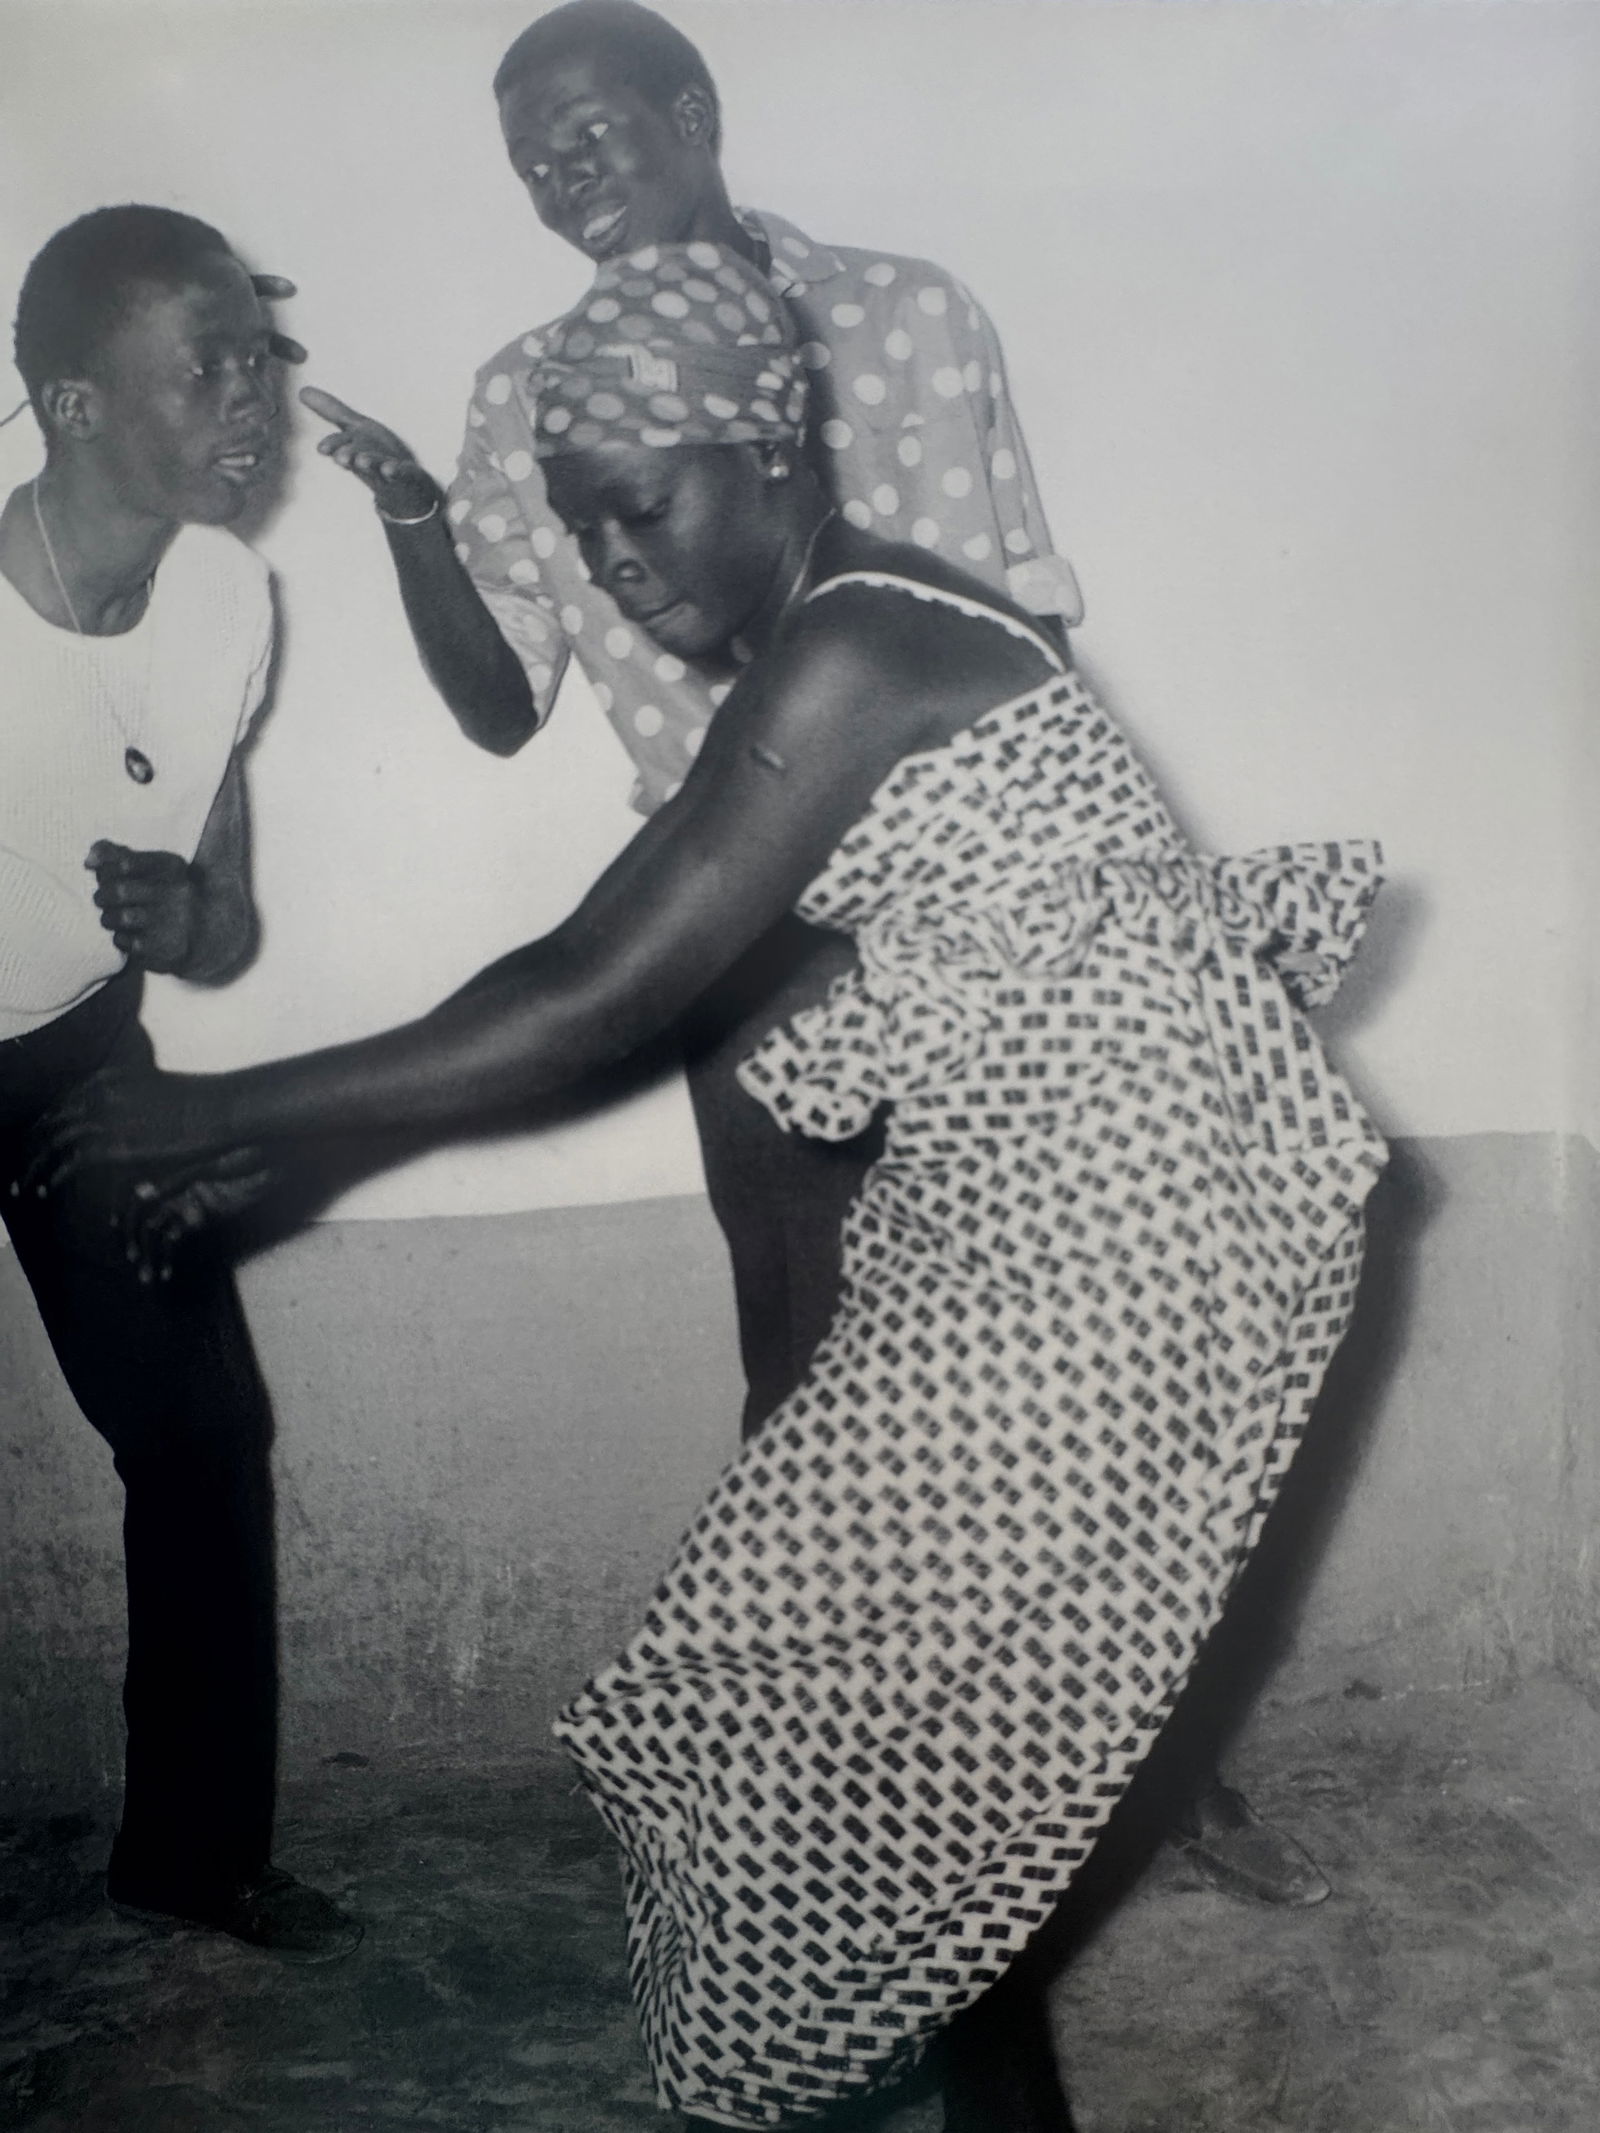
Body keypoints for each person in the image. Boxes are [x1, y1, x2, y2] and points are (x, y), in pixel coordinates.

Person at [29, 243, 1386, 2127]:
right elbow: (602, 951)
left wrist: (219, 1112)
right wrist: (267, 1140)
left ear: (770, 451)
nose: (617, 560)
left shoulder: (860, 644)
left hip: (1132, 1234)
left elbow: (593, 996)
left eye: (641, 504)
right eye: (582, 524)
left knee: (846, 1724)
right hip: (1031, 1197)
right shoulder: (837, 621)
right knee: (863, 1720)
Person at [301, 0, 1323, 1903]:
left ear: (696, 111)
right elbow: (499, 709)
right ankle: (849, 1804)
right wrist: (425, 524)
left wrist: (1084, 930)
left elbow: (1018, 622)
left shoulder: (912, 313)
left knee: (1069, 1397)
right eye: (526, 152)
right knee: (804, 1371)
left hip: (963, 916)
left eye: (589, 129)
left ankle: (1144, 1780)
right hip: (726, 927)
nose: (557, 175)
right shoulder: (532, 390)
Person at [0, 205, 360, 1962]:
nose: (254, 399)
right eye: (204, 364)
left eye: (257, 356)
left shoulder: (230, 591)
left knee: (204, 1431)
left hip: (74, 1056)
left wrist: (188, 910)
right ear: (71, 405)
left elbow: (220, 925)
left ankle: (190, 1855)